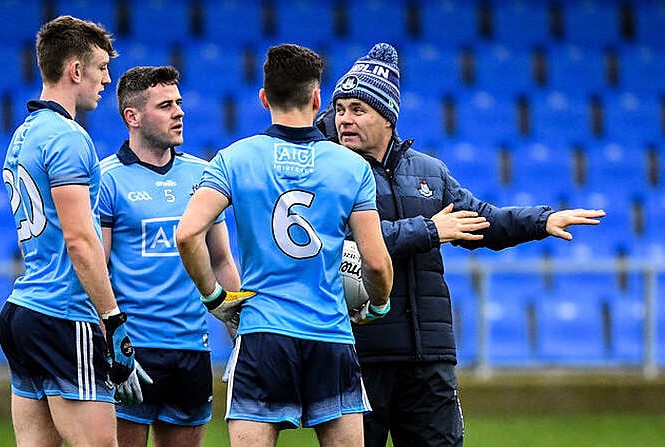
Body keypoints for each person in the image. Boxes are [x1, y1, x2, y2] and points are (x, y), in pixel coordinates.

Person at [315, 43, 607, 447]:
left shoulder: (430, 172)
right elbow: (344, 243)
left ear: (387, 116)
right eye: (340, 109)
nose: (344, 119)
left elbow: (481, 221)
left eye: (357, 109)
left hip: (429, 359)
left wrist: (542, 220)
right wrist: (430, 230)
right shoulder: (328, 172)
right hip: (359, 356)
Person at [175, 43, 394, 447]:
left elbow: (187, 235)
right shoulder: (352, 167)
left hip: (263, 335)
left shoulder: (233, 159)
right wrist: (377, 305)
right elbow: (376, 264)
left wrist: (215, 299)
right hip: (330, 335)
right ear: (316, 99)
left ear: (263, 98)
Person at [0, 16, 149, 447]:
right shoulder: (68, 137)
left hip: (23, 310)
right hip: (64, 315)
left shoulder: (23, 133)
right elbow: (81, 241)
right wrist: (114, 322)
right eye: (101, 68)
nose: (107, 79)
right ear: (75, 70)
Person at [98, 65, 242, 447]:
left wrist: (240, 335)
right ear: (133, 116)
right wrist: (109, 343)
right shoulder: (106, 179)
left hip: (191, 349)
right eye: (165, 105)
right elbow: (96, 270)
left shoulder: (204, 175)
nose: (179, 112)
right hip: (133, 352)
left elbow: (221, 261)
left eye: (178, 103)